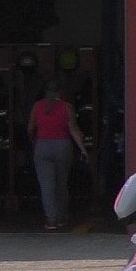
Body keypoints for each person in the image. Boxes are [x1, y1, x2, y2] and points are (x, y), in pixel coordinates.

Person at [27, 77, 87, 231]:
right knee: (61, 183)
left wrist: (35, 143)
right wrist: (83, 149)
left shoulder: (37, 106)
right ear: (60, 92)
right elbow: (73, 129)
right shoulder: (67, 107)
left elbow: (30, 128)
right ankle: (61, 217)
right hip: (63, 146)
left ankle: (51, 220)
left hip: (42, 146)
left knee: (46, 186)